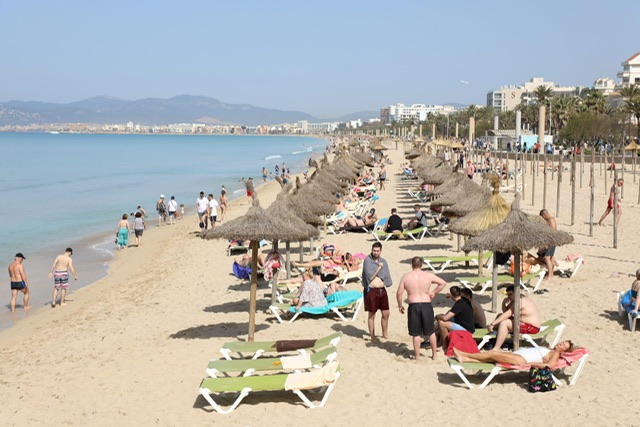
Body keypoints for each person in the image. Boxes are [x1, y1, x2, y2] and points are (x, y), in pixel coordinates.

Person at [396, 256, 446, 361]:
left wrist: (400, 305)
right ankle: (434, 355)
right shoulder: (428, 275)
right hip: (426, 304)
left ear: (412, 265)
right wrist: (434, 292)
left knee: (416, 333)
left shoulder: (406, 276)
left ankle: (418, 357)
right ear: (421, 265)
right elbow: (443, 283)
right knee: (431, 332)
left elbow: (399, 293)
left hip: (414, 305)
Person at [488, 285, 541, 350]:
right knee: (499, 316)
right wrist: (503, 304)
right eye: (508, 295)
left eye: (510, 294)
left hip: (532, 327)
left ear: (516, 293)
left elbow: (507, 314)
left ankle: (496, 348)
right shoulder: (515, 300)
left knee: (505, 323)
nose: (509, 297)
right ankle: (494, 335)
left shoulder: (520, 301)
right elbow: (506, 312)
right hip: (524, 323)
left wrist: (492, 324)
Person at [454, 340, 574, 369]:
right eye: (562, 342)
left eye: (564, 346)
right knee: (490, 357)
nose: (561, 344)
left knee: (491, 353)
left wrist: (531, 364)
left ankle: (465, 354)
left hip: (521, 359)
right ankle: (463, 359)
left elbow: (549, 365)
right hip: (518, 355)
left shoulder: (555, 355)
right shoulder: (550, 349)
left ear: (564, 351)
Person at [362, 242, 392, 341]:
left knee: (386, 313)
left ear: (380, 251)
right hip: (372, 290)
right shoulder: (367, 260)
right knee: (372, 314)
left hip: (381, 290)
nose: (375, 253)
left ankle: (385, 333)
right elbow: (370, 277)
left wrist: (382, 275)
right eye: (374, 251)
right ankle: (372, 335)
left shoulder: (383, 261)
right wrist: (379, 269)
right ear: (372, 250)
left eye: (377, 251)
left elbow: (386, 274)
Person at [436, 286, 475, 351]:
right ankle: (437, 337)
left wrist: (437, 316)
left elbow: (445, 318)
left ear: (451, 295)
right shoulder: (464, 300)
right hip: (467, 325)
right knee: (443, 319)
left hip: (467, 330)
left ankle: (445, 345)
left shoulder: (459, 304)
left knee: (442, 323)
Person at [538, 209, 558, 281]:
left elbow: (552, 231)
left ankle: (550, 276)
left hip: (551, 242)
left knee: (547, 258)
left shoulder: (550, 220)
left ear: (544, 215)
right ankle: (551, 274)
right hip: (552, 241)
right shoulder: (550, 219)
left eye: (543, 218)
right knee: (550, 258)